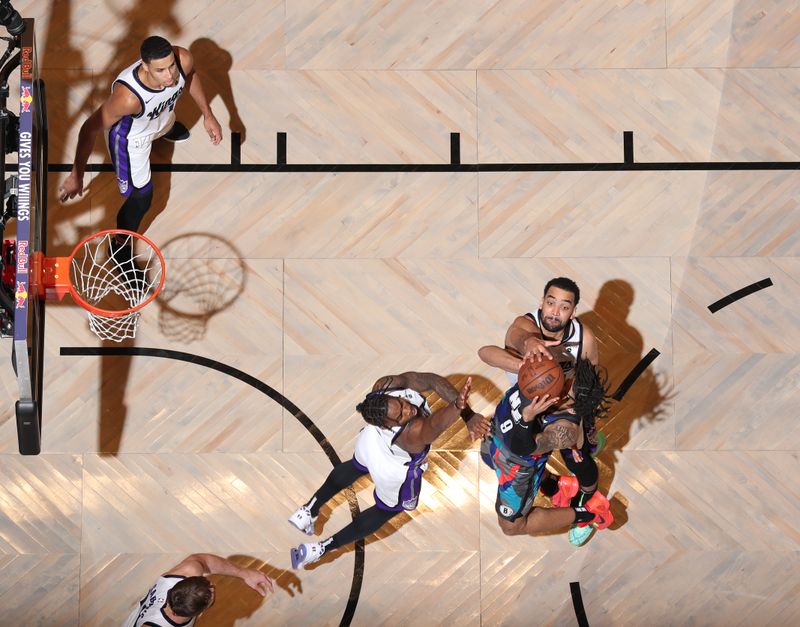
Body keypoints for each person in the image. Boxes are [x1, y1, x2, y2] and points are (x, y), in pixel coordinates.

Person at [289, 372, 490, 569]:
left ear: (384, 394)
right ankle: (320, 550)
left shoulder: (385, 384)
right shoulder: (412, 434)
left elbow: (430, 380)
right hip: (393, 469)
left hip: (370, 442)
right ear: (387, 426)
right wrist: (458, 407)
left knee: (354, 466)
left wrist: (467, 413)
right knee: (386, 510)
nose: (408, 410)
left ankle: (308, 510)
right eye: (400, 416)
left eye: (402, 404)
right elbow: (435, 424)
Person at [478, 277, 606, 543]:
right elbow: (491, 348)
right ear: (541, 302)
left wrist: (581, 419)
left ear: (573, 310)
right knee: (493, 454)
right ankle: (555, 486)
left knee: (577, 456)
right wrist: (527, 351)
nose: (555, 312)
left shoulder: (585, 338)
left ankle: (589, 505)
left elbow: (592, 382)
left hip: (563, 412)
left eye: (564, 307)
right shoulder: (525, 325)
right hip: (524, 409)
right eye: (550, 303)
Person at [58, 35, 222, 237]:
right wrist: (77, 175)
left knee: (166, 120)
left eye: (171, 66)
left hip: (161, 117)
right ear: (145, 66)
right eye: (160, 70)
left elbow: (190, 75)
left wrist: (208, 114)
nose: (170, 75)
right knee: (142, 198)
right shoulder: (127, 99)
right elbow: (89, 129)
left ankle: (166, 130)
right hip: (132, 140)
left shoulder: (183, 60)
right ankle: (120, 244)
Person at [480, 356, 613, 543]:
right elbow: (485, 353)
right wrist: (523, 361)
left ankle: (589, 513)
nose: (560, 388)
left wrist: (527, 419)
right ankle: (558, 486)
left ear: (574, 409)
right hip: (495, 436)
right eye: (565, 380)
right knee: (488, 460)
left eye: (567, 391)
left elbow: (523, 447)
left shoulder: (565, 429)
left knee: (511, 526)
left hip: (518, 469)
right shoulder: (550, 375)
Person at [123, 553, 273, 626]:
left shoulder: (183, 572)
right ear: (200, 614)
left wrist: (244, 573)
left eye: (208, 584)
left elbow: (203, 560)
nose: (213, 587)